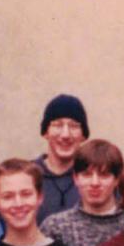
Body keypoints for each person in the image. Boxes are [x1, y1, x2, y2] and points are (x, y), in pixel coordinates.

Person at [40, 139, 124, 246]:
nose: (95, 183)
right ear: (75, 178)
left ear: (117, 179)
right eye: (87, 175)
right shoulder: (55, 227)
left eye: (104, 175)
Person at [33, 93, 90, 223]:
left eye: (74, 126)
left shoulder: (94, 180)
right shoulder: (28, 176)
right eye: (57, 125)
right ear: (45, 132)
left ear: (83, 135)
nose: (65, 134)